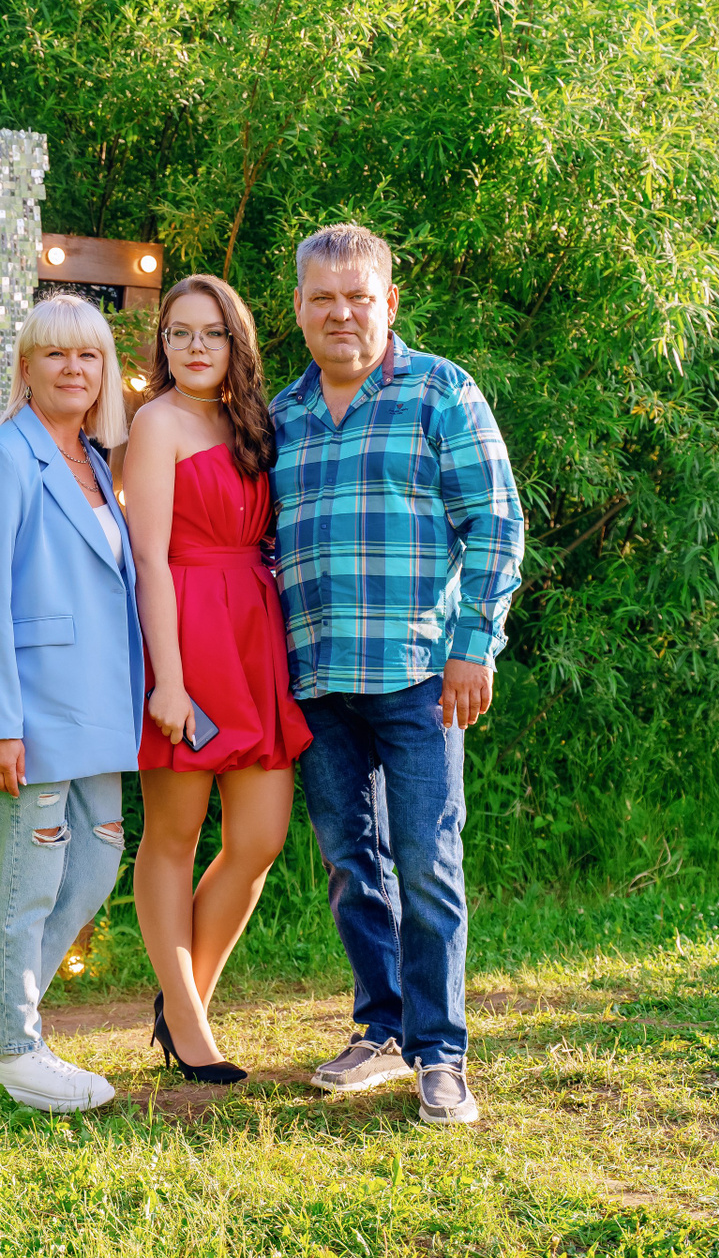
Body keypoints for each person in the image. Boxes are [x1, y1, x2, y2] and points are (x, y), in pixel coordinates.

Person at [270, 224, 525, 1126]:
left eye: (358, 297)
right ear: (298, 308)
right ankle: (380, 1030)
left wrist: (474, 644)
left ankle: (441, 1052)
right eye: (323, 298)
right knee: (352, 865)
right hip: (318, 678)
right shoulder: (282, 415)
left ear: (388, 302)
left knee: (426, 863)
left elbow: (495, 521)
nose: (341, 313)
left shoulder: (439, 391)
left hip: (421, 673)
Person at [0, 295, 142, 1114]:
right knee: (25, 879)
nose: (73, 369)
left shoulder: (94, 460)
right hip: (30, 712)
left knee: (92, 867)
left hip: (94, 709)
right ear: (27, 368)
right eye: (55, 354)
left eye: (88, 356)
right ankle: (17, 1051)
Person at [124, 275, 313, 1084]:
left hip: (254, 634)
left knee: (259, 839)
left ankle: (181, 1006)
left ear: (238, 343)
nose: (194, 347)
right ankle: (192, 1026)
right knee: (174, 836)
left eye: (211, 333)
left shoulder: (253, 424)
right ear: (162, 344)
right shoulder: (156, 422)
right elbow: (148, 558)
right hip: (188, 633)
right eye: (179, 333)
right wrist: (168, 681)